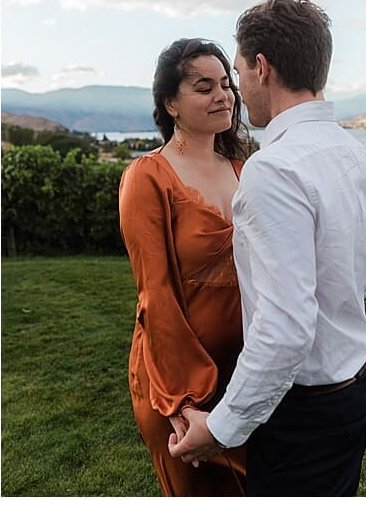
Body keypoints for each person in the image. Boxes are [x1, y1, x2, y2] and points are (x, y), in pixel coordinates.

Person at [168, 0, 366, 497]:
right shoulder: (354, 155)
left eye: (239, 71)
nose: (238, 86)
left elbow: (284, 328)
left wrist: (220, 429)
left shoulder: (272, 170)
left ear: (261, 67)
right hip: (357, 390)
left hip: (303, 416)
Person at [119, 37, 252, 496]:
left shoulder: (246, 169)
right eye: (203, 87)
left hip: (246, 371)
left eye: (226, 83)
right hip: (176, 379)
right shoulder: (148, 177)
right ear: (170, 103)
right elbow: (154, 293)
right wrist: (185, 400)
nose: (223, 96)